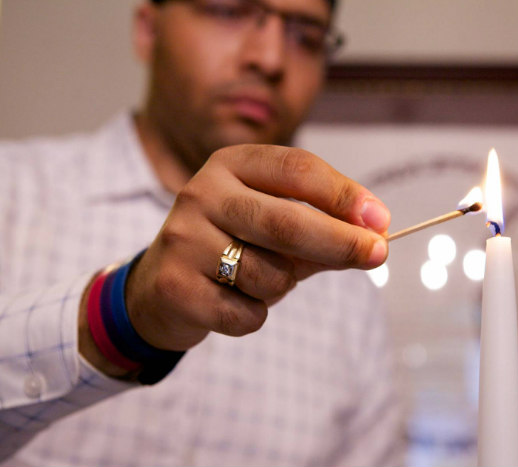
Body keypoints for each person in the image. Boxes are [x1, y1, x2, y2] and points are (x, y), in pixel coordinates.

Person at [0, 0, 404, 465]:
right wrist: (121, 314)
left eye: (306, 36)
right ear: (149, 30)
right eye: (229, 10)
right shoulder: (12, 198)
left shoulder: (347, 298)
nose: (270, 59)